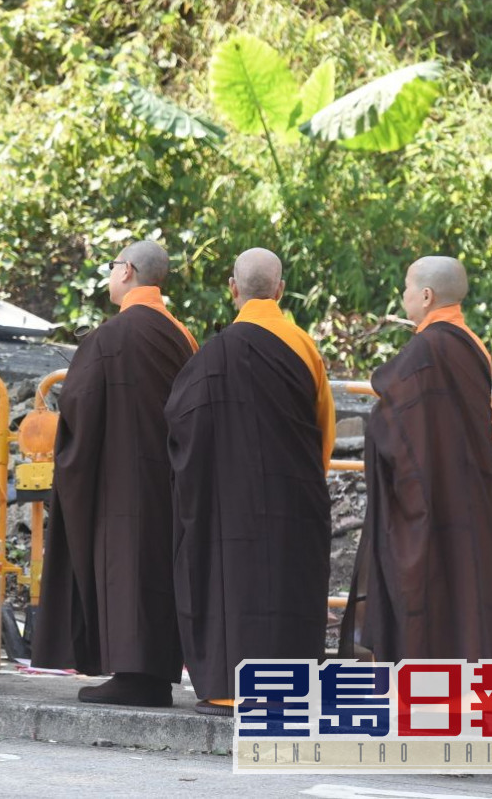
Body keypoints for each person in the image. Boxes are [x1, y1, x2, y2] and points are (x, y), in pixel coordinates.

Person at [165, 248, 334, 716]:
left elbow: (181, 425)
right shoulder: (303, 345)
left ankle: (226, 691)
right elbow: (324, 428)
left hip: (224, 502)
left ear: (233, 290)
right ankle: (287, 692)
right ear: (280, 290)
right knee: (289, 592)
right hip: (292, 498)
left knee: (229, 586)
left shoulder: (210, 356)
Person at [30, 240, 197, 707]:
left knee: (126, 570)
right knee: (158, 570)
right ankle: (158, 675)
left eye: (111, 267)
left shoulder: (110, 336)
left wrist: (73, 465)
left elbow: (79, 410)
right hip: (170, 480)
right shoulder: (182, 336)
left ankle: (132, 676)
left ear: (127, 272)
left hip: (118, 482)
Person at [347, 256, 492, 662]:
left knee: (427, 583)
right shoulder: (473, 344)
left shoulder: (427, 347)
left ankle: (424, 685)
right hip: (472, 490)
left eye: (405, 288)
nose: (402, 296)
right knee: (468, 584)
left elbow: (393, 416)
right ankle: (467, 685)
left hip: (426, 490)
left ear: (426, 295)